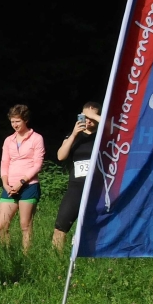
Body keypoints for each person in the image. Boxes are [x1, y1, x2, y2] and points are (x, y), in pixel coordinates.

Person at [0, 104, 45, 252]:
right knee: (1, 225)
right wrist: (5, 183)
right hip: (9, 187)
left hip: (29, 186)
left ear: (25, 120)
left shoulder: (36, 138)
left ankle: (26, 257)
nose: (15, 125)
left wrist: (22, 181)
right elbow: (4, 162)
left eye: (18, 121)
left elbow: (38, 165)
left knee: (25, 225)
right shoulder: (8, 140)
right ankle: (7, 254)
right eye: (12, 121)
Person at [53, 102, 101, 250]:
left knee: (93, 226)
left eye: (92, 117)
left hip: (98, 187)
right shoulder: (74, 135)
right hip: (76, 186)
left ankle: (91, 259)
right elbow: (61, 156)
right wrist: (74, 134)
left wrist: (95, 116)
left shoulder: (104, 134)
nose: (88, 120)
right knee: (61, 225)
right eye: (85, 116)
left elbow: (119, 128)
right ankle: (57, 259)